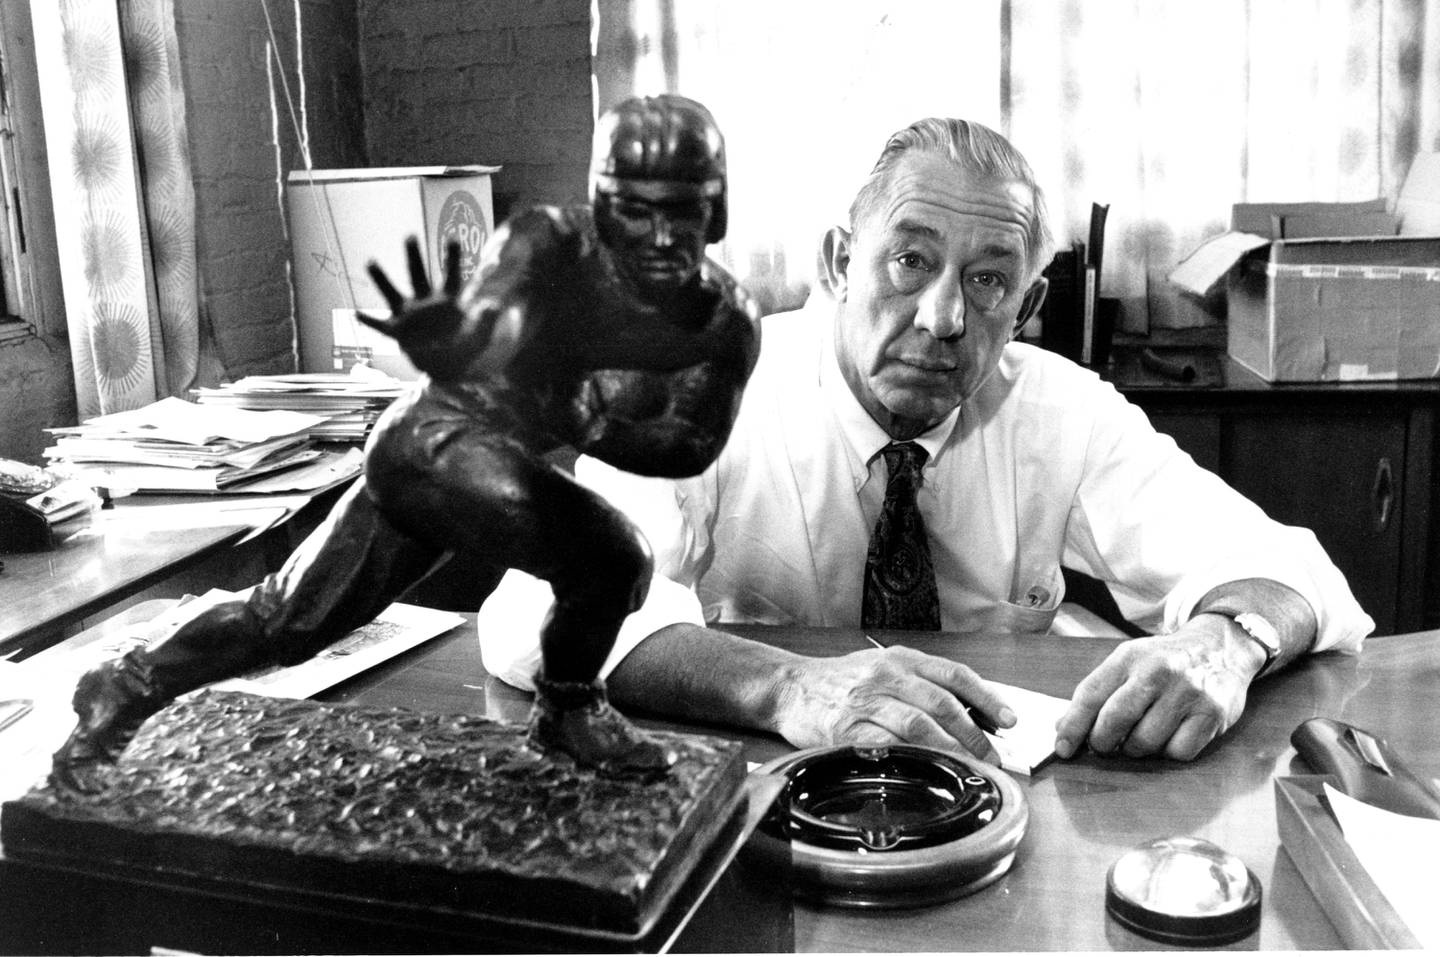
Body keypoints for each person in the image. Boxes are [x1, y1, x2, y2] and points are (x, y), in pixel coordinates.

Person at [478, 117, 1373, 765]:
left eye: (987, 281)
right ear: (839, 263)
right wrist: (789, 684)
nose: (943, 317)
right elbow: (531, 610)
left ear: (1026, 307)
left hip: (1001, 793)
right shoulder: (707, 386)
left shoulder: (1062, 410)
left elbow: (1296, 573)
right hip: (778, 786)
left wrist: (1225, 643)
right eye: (909, 261)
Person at [51, 94, 761, 789]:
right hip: (435, 440)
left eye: (683, 211)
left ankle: (126, 683)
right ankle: (567, 706)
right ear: (603, 207)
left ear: (718, 210)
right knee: (606, 561)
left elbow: (688, 445)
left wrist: (585, 417)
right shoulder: (550, 244)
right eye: (635, 211)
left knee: (293, 620)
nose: (660, 238)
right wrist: (456, 342)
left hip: (487, 460)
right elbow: (491, 327)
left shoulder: (723, 321)